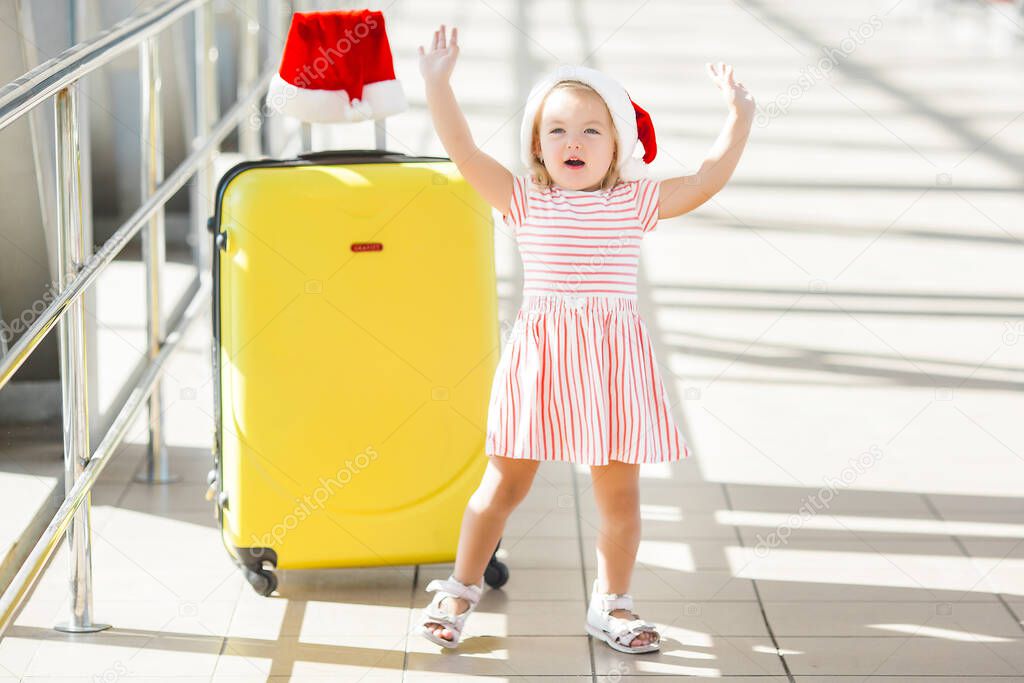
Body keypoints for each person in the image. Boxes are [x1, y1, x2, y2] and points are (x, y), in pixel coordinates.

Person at [415, 24, 754, 654]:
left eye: (592, 130)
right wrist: (438, 84)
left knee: (619, 492)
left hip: (611, 364)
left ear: (617, 145)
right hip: (540, 363)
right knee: (503, 486)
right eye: (557, 131)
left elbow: (706, 179)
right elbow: (462, 151)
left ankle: (613, 603)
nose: (574, 142)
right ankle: (461, 587)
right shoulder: (522, 199)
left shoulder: (634, 202)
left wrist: (740, 116)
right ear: (538, 150)